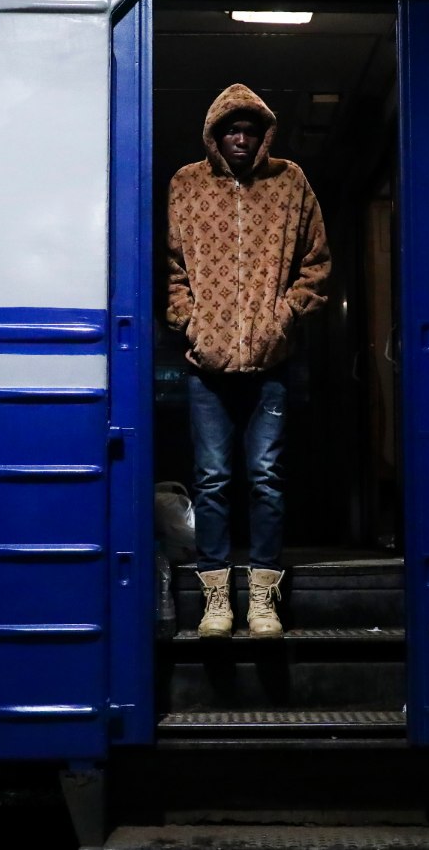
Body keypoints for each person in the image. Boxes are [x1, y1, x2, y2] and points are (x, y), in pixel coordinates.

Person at [165, 83, 330, 639]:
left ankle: (263, 598)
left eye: (249, 129)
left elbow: (317, 265)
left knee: (265, 476)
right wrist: (188, 319)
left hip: (271, 362)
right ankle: (216, 596)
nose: (240, 137)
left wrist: (283, 319)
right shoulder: (186, 184)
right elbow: (170, 266)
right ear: (215, 134)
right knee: (212, 479)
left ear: (264, 135)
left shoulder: (291, 182)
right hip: (204, 363)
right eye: (231, 129)